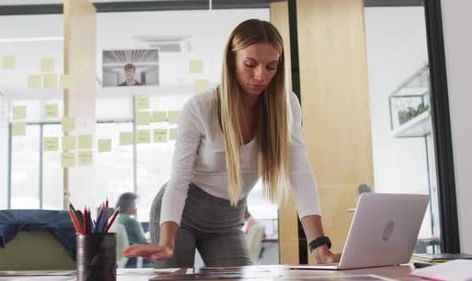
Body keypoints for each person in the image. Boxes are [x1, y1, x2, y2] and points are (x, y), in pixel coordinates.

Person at [124, 18, 341, 267]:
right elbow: (179, 178)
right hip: (181, 214)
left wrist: (320, 247)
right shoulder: (200, 107)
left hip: (228, 220)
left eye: (271, 67)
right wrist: (166, 242)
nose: (261, 75)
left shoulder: (287, 105)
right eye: (250, 64)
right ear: (231, 60)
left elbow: (300, 171)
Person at [116, 192, 148, 268]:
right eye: (134, 204)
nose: (135, 207)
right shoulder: (132, 222)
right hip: (133, 258)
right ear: (129, 206)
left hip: (120, 260)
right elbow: (143, 241)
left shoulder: (115, 220)